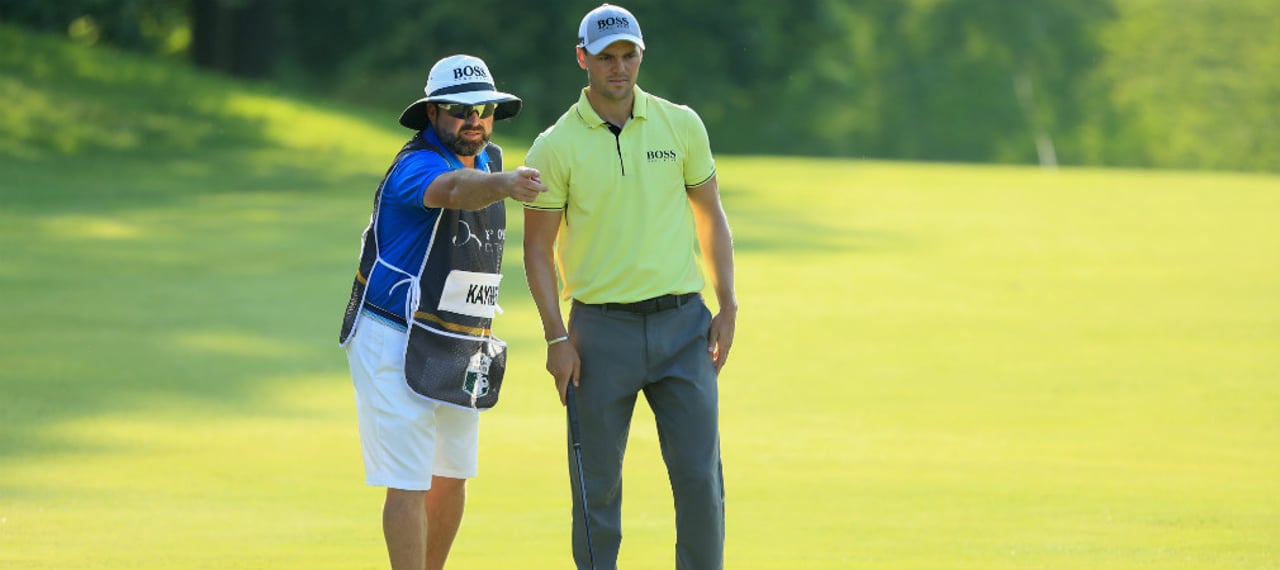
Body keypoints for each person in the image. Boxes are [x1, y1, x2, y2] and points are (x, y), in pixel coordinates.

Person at [522, 5, 738, 569]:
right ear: (583, 59)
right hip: (598, 333)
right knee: (597, 489)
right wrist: (554, 338)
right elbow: (536, 251)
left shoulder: (681, 125)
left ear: (641, 55)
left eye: (628, 56)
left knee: (699, 479)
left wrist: (728, 302)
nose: (619, 68)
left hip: (683, 327)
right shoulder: (555, 145)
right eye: (606, 57)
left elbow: (710, 216)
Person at [338, 54, 545, 570]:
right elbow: (452, 192)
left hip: (458, 340)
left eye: (484, 109)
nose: (473, 120)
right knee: (409, 480)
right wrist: (505, 185)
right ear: (432, 114)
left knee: (453, 473)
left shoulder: (491, 159)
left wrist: (502, 178)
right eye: (458, 109)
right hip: (393, 334)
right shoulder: (416, 166)